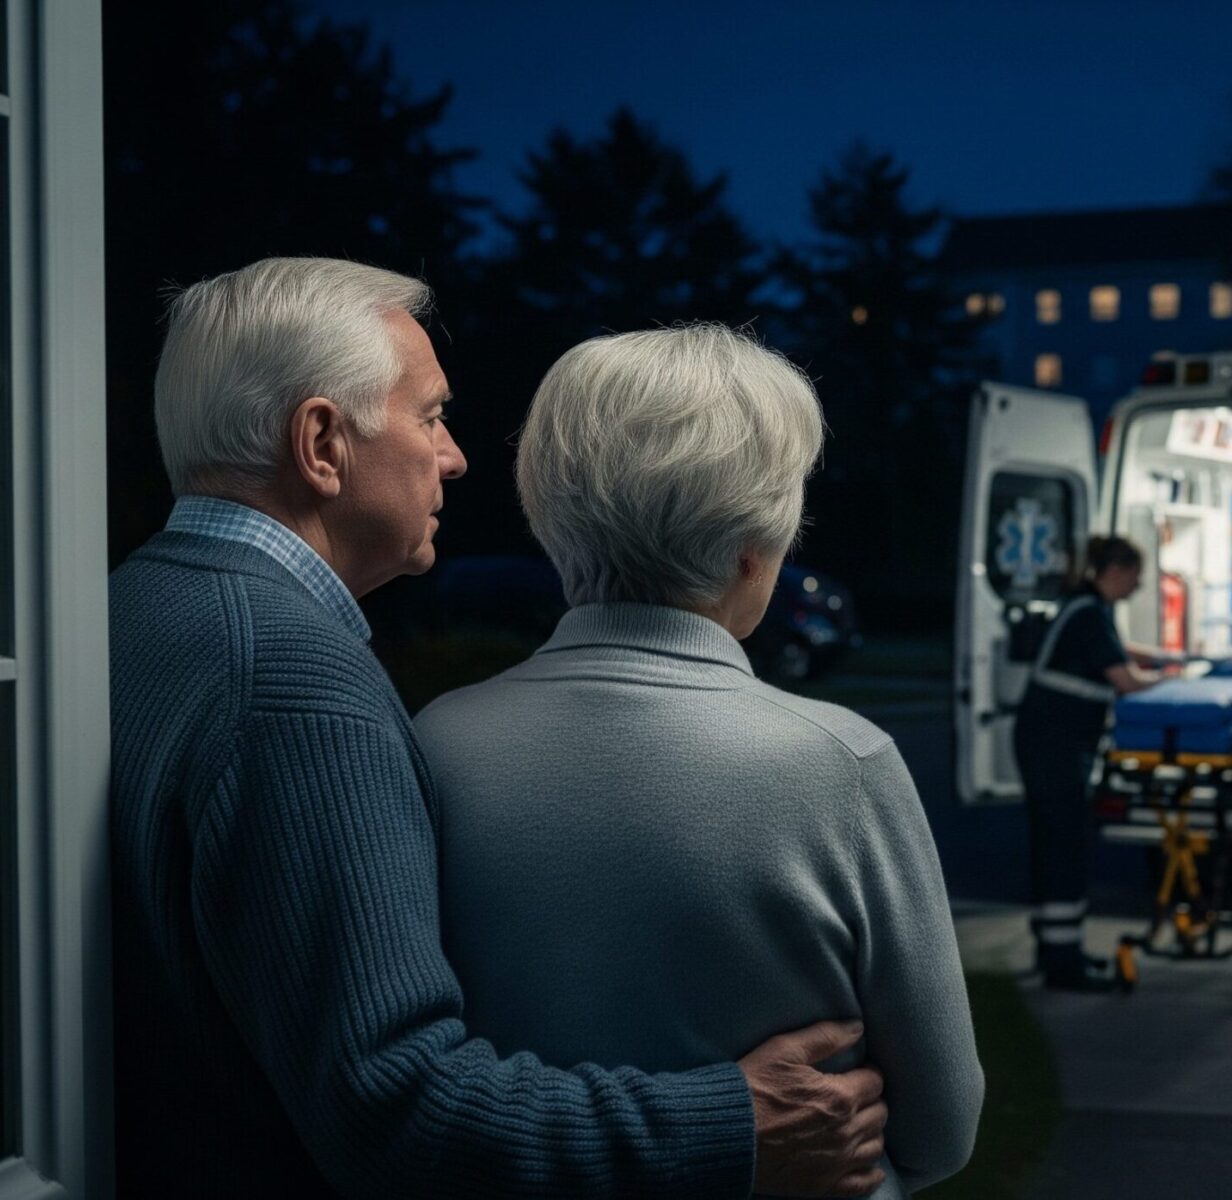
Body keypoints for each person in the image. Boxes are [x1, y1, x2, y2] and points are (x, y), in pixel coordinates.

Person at [109, 258, 888, 1198]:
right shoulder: (290, 683)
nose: (456, 457)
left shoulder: (132, 609)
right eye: (430, 416)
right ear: (322, 443)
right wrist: (729, 1127)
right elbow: (395, 1109)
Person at [411, 325, 984, 1199]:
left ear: (549, 515)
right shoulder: (843, 763)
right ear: (754, 552)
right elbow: (942, 1125)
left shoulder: (435, 741)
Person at [1015, 534, 1170, 990]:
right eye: (1135, 579)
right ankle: (1065, 965)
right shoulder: (1087, 613)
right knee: (1064, 848)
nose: (1136, 588)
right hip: (1055, 746)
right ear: (1116, 573)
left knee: (1054, 845)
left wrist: (1171, 660)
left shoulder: (1086, 608)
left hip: (1050, 742)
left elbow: (1120, 653)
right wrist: (1177, 686)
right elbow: (1126, 680)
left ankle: (1057, 948)